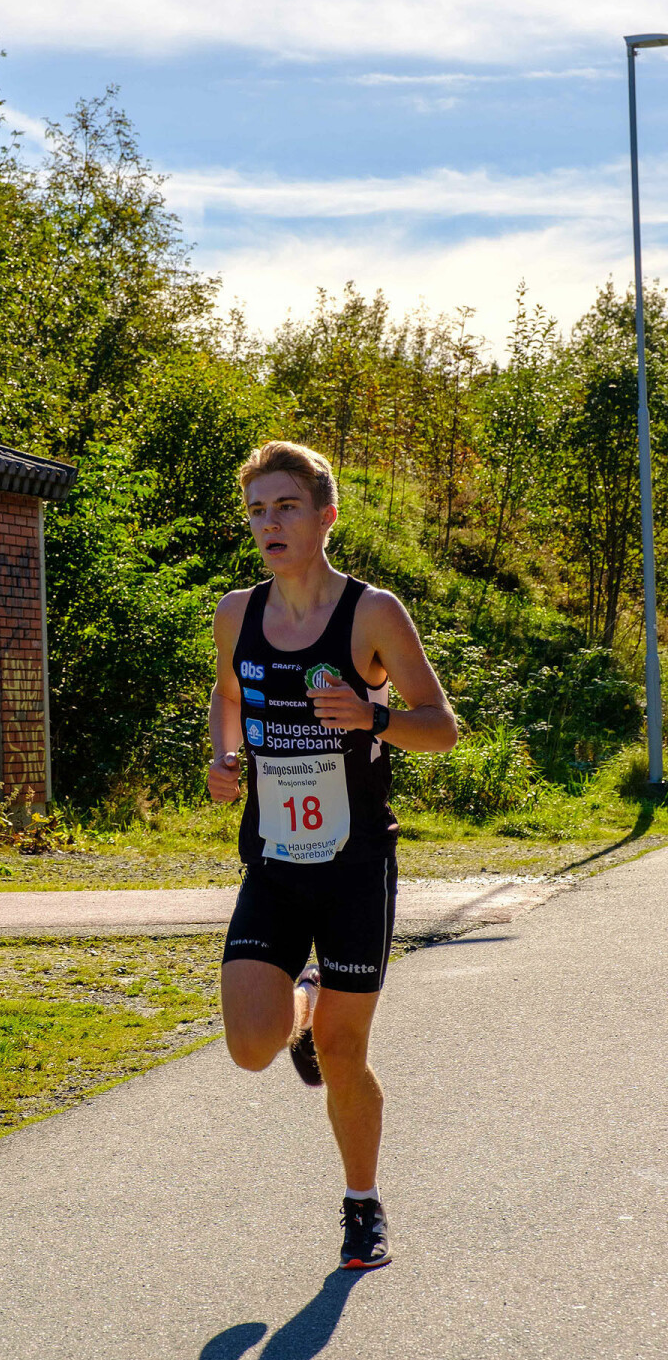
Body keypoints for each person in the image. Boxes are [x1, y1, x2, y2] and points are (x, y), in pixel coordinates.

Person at [208, 440, 458, 1270]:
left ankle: (362, 1206)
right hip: (275, 861)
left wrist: (371, 717)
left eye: (285, 507)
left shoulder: (373, 613)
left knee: (348, 1057)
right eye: (256, 510)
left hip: (355, 867)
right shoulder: (236, 613)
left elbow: (441, 727)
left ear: (325, 516)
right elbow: (227, 693)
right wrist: (223, 754)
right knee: (251, 1044)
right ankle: (299, 1011)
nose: (268, 524)